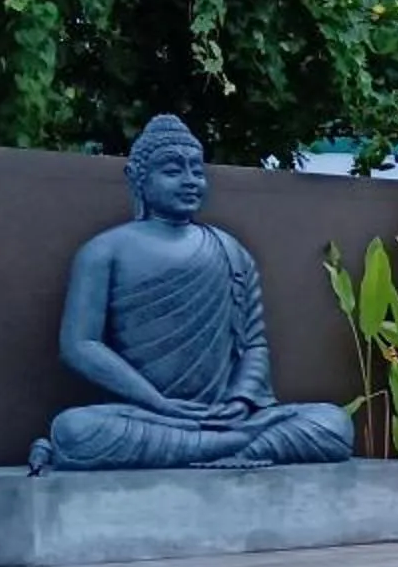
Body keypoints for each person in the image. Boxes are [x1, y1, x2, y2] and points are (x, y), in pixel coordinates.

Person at [29, 115, 355, 473]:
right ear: (138, 178)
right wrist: (158, 403)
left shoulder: (231, 250)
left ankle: (219, 445)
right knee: (75, 431)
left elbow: (254, 344)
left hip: (228, 416)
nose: (190, 181)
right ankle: (237, 449)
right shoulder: (104, 251)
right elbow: (80, 346)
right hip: (148, 416)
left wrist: (241, 400)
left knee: (333, 424)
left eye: (197, 172)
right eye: (173, 171)